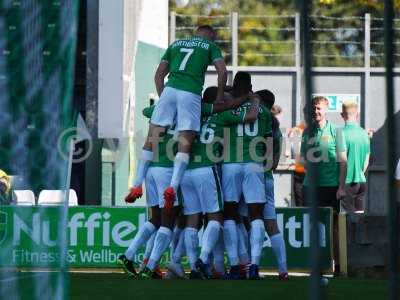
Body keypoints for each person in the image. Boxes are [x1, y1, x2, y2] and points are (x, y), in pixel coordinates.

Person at [126, 25, 227, 208]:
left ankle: (135, 185)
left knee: (151, 139)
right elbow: (222, 71)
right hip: (191, 93)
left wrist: (164, 97)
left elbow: (158, 76)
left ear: (196, 33)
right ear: (211, 37)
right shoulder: (209, 46)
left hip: (170, 90)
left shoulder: (175, 44)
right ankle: (172, 188)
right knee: (185, 142)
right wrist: (219, 96)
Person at [179, 84, 260, 279]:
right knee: (216, 217)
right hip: (207, 168)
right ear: (216, 102)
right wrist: (253, 101)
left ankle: (193, 265)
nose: (225, 102)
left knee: (193, 219)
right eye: (222, 99)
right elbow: (250, 117)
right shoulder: (222, 116)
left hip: (186, 169)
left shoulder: (193, 114)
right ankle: (202, 258)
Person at [221, 72, 272, 280]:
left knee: (230, 214)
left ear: (234, 87)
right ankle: (254, 266)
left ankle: (235, 266)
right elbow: (268, 144)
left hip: (230, 164)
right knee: (256, 215)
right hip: (254, 164)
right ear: (251, 86)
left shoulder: (229, 107)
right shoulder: (264, 111)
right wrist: (266, 167)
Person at [300, 96, 347, 275]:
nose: (316, 111)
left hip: (331, 187)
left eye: (319, 108)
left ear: (326, 110)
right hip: (310, 186)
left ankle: (337, 265)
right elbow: (304, 159)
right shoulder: (307, 133)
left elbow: (343, 161)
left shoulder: (336, 131)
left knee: (333, 227)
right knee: (312, 225)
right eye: (314, 108)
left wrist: (341, 187)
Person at [255, 89, 289, 280]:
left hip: (252, 176)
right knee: (271, 224)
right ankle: (283, 269)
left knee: (250, 222)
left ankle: (252, 267)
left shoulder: (259, 119)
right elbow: (275, 160)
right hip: (267, 176)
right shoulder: (276, 125)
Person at [340, 101, 370, 212]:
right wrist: (360, 173)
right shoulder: (364, 133)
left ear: (342, 115)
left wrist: (341, 187)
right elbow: (366, 161)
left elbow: (343, 162)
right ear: (357, 114)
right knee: (359, 216)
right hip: (361, 181)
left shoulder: (340, 133)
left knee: (345, 220)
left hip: (347, 182)